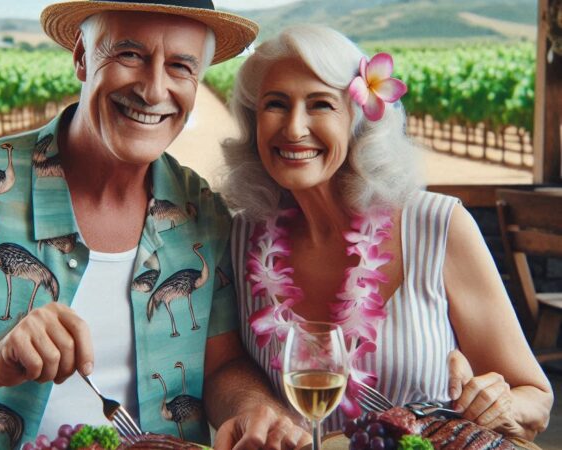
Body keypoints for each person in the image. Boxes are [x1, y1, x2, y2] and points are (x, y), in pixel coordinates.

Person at [0, 2, 310, 449]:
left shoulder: (201, 213)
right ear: (81, 57)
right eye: (130, 55)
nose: (154, 90)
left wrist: (251, 409)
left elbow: (222, 365)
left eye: (180, 66)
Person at [220, 24, 553, 441]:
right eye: (276, 104)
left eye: (320, 104)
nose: (294, 127)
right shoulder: (241, 237)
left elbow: (535, 398)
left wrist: (497, 403)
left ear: (358, 120)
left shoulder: (437, 226)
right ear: (254, 121)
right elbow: (225, 366)